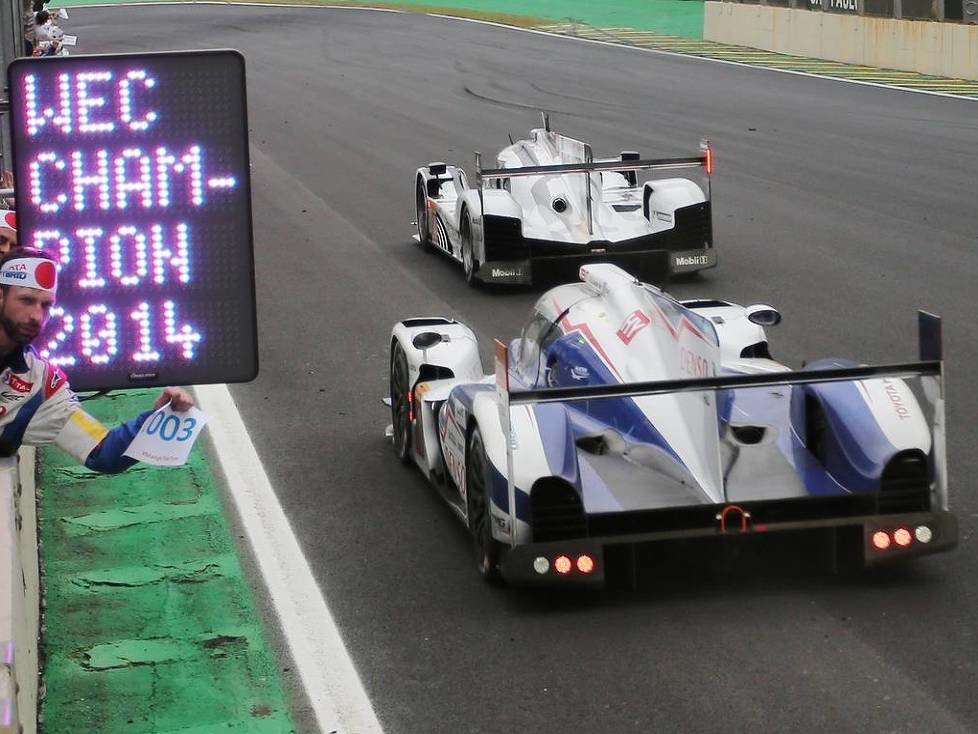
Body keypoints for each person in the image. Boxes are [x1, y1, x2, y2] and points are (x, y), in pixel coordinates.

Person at [0, 246, 194, 471]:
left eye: (46, 305)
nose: (37, 316)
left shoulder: (41, 384)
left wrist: (158, 416)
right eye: (26, 300)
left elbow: (103, 452)